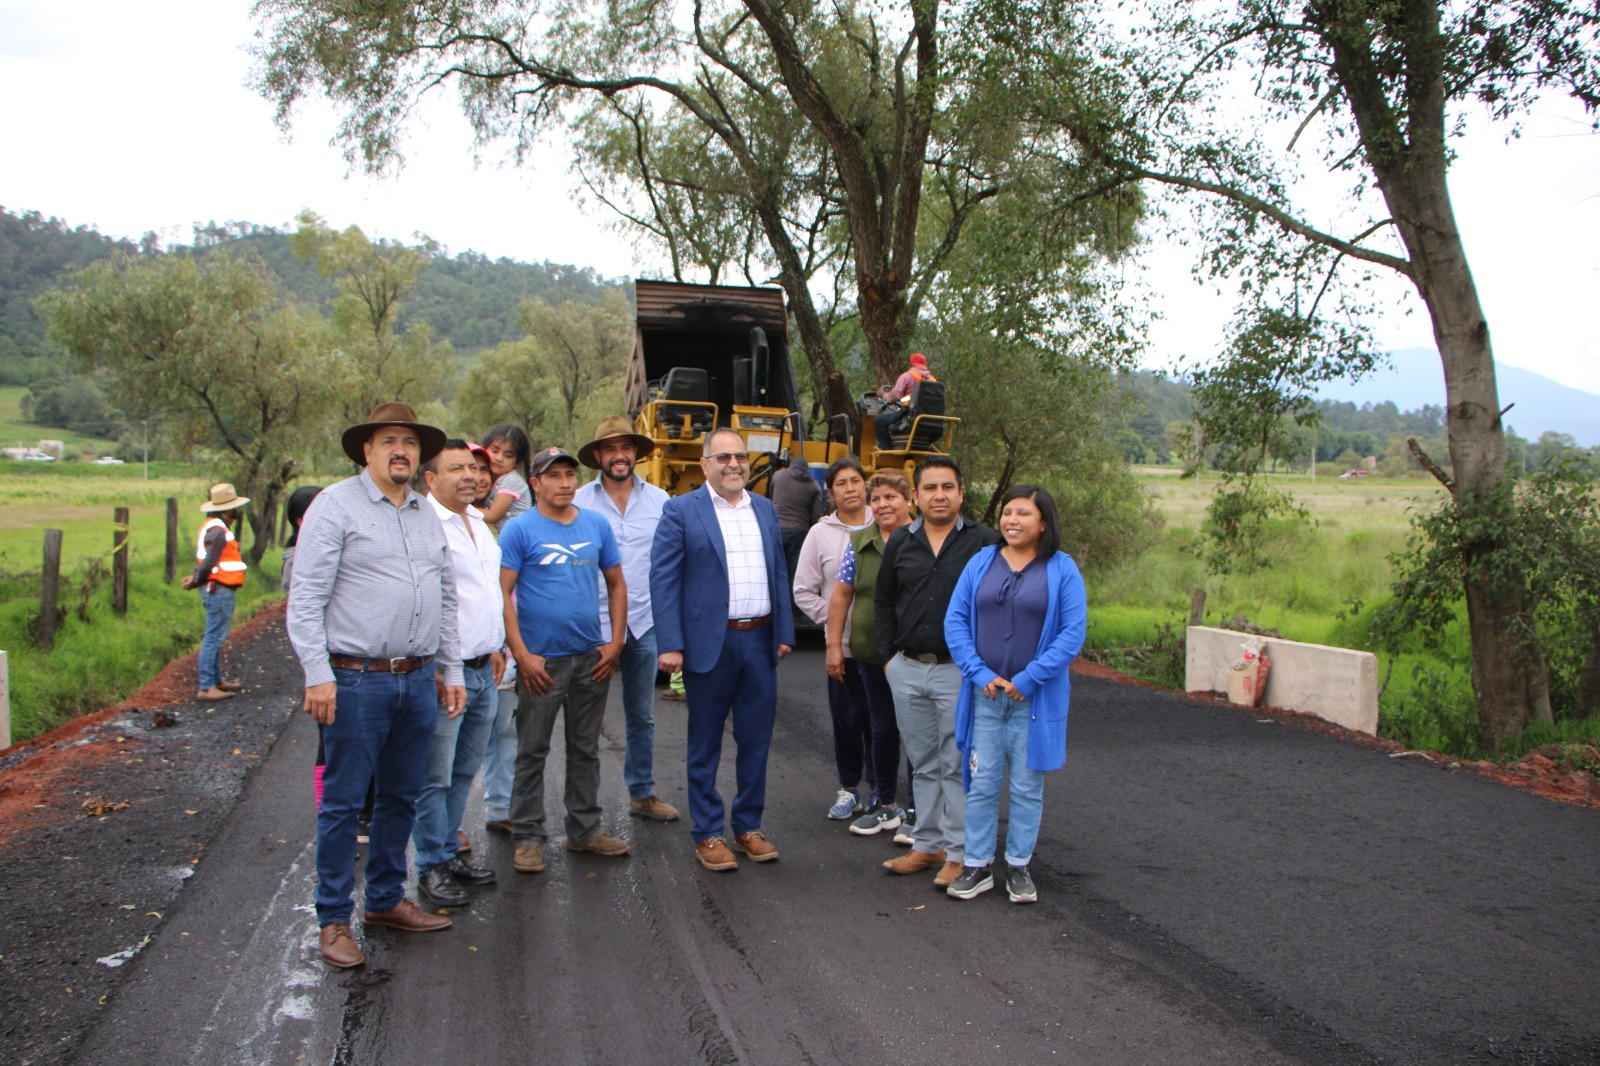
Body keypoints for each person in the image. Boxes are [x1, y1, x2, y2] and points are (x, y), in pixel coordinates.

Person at [287, 402, 465, 970]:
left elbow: (445, 598)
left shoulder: (423, 514)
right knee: (342, 803)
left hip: (415, 680)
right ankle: (333, 918)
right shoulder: (334, 506)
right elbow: (306, 598)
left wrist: (451, 668)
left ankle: (385, 900)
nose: (401, 451)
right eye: (389, 441)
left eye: (410, 443)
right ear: (366, 450)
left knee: (399, 798)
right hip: (355, 679)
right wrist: (317, 674)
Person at [651, 427, 796, 871]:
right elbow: (664, 580)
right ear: (705, 465)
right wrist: (671, 644)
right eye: (723, 458)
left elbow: (778, 573)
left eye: (740, 457)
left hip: (759, 640)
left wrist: (785, 631)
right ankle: (708, 832)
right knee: (705, 742)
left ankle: (747, 827)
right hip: (707, 645)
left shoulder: (766, 509)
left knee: (755, 740)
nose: (734, 464)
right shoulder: (680, 510)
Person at [943, 485, 1086, 903]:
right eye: (1007, 512)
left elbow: (1071, 634)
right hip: (985, 695)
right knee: (982, 781)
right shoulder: (980, 562)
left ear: (1044, 522)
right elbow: (955, 621)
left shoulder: (1062, 569)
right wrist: (977, 671)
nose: (1012, 520)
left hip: (1033, 700)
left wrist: (1029, 679)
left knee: (1026, 786)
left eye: (1024, 513)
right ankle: (978, 865)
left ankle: (1019, 866)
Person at [499, 446, 630, 875]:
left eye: (570, 474)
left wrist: (614, 643)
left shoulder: (596, 525)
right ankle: (528, 837)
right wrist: (522, 654)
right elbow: (501, 594)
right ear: (534, 483)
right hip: (542, 664)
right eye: (553, 475)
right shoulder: (519, 530)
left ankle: (585, 831)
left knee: (585, 749)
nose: (565, 482)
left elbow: (616, 584)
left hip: (590, 658)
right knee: (533, 751)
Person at [874, 456, 999, 888]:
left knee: (958, 762)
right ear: (916, 495)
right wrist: (888, 659)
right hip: (907, 668)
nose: (939, 495)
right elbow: (884, 603)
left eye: (948, 487)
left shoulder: (986, 542)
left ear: (962, 494)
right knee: (923, 760)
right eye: (930, 487)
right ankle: (926, 845)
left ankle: (960, 853)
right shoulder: (900, 542)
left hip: (959, 672)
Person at [411, 440, 506, 908]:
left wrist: (497, 645)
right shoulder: (426, 525)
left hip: (482, 668)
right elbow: (427, 600)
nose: (470, 475)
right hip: (445, 674)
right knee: (435, 775)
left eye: (473, 467)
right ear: (431, 479)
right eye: (456, 469)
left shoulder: (477, 522)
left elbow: (485, 592)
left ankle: (449, 852)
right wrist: (438, 665)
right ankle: (430, 863)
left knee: (465, 770)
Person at [573, 416, 680, 822]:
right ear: (598, 455)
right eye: (611, 449)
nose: (619, 456)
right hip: (593, 623)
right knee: (585, 721)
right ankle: (585, 811)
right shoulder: (580, 501)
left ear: (636, 453)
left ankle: (643, 793)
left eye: (626, 448)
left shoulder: (660, 501)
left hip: (645, 620)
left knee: (642, 715)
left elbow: (672, 564)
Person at [825, 469, 913, 837]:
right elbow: (842, 595)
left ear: (908, 500)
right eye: (876, 498)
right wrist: (833, 647)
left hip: (914, 656)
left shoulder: (923, 538)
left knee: (920, 735)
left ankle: (919, 810)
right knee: (881, 730)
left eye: (890, 497)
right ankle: (884, 804)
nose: (881, 504)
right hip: (870, 656)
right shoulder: (860, 541)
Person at [792, 457, 877, 820]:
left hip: (881, 649)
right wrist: (840, 618)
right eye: (841, 483)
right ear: (830, 493)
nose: (850, 488)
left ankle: (881, 791)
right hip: (840, 646)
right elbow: (802, 591)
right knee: (846, 720)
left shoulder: (888, 524)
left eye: (856, 480)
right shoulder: (819, 534)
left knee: (882, 722)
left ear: (866, 485)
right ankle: (849, 789)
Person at [182, 483, 251, 702]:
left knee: (216, 636)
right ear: (229, 509)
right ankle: (206, 686)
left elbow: (206, 560)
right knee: (214, 637)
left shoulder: (213, 526)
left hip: (218, 587)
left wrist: (195, 578)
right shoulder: (218, 531)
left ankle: (215, 680)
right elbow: (210, 562)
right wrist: (196, 581)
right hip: (218, 589)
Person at [771, 454, 824, 582]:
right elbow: (817, 515)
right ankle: (792, 601)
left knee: (774, 568)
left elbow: (770, 498)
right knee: (793, 572)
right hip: (798, 533)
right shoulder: (814, 486)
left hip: (776, 529)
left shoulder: (778, 476)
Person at [874, 352, 936, 452]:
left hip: (909, 416)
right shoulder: (933, 381)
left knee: (879, 421)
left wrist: (883, 394)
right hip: (929, 419)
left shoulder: (907, 376)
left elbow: (894, 396)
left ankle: (886, 450)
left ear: (911, 364)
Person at [480, 423, 533, 533]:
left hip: (518, 541)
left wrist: (459, 509)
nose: (499, 458)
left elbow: (492, 515)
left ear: (517, 462)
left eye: (508, 456)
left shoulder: (511, 480)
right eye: (495, 451)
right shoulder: (491, 478)